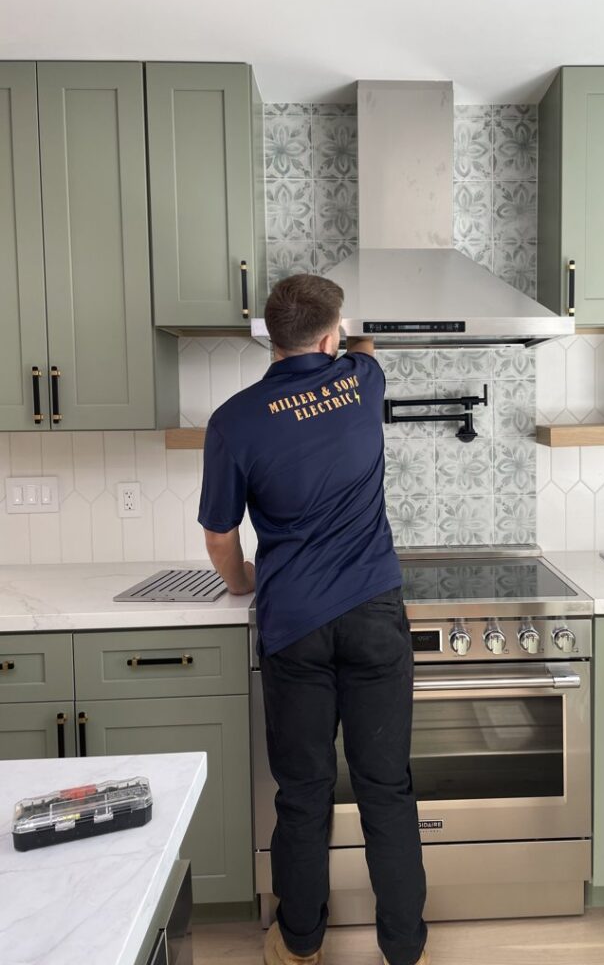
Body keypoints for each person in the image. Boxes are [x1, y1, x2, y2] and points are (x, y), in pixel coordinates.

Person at [198, 273, 429, 965]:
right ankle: (404, 947)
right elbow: (365, 342)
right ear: (332, 337)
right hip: (373, 614)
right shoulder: (364, 380)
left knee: (302, 793)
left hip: (293, 621)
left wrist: (244, 582)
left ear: (270, 336)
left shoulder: (233, 420)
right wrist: (346, 334)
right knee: (386, 786)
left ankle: (299, 945)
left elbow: (219, 537)